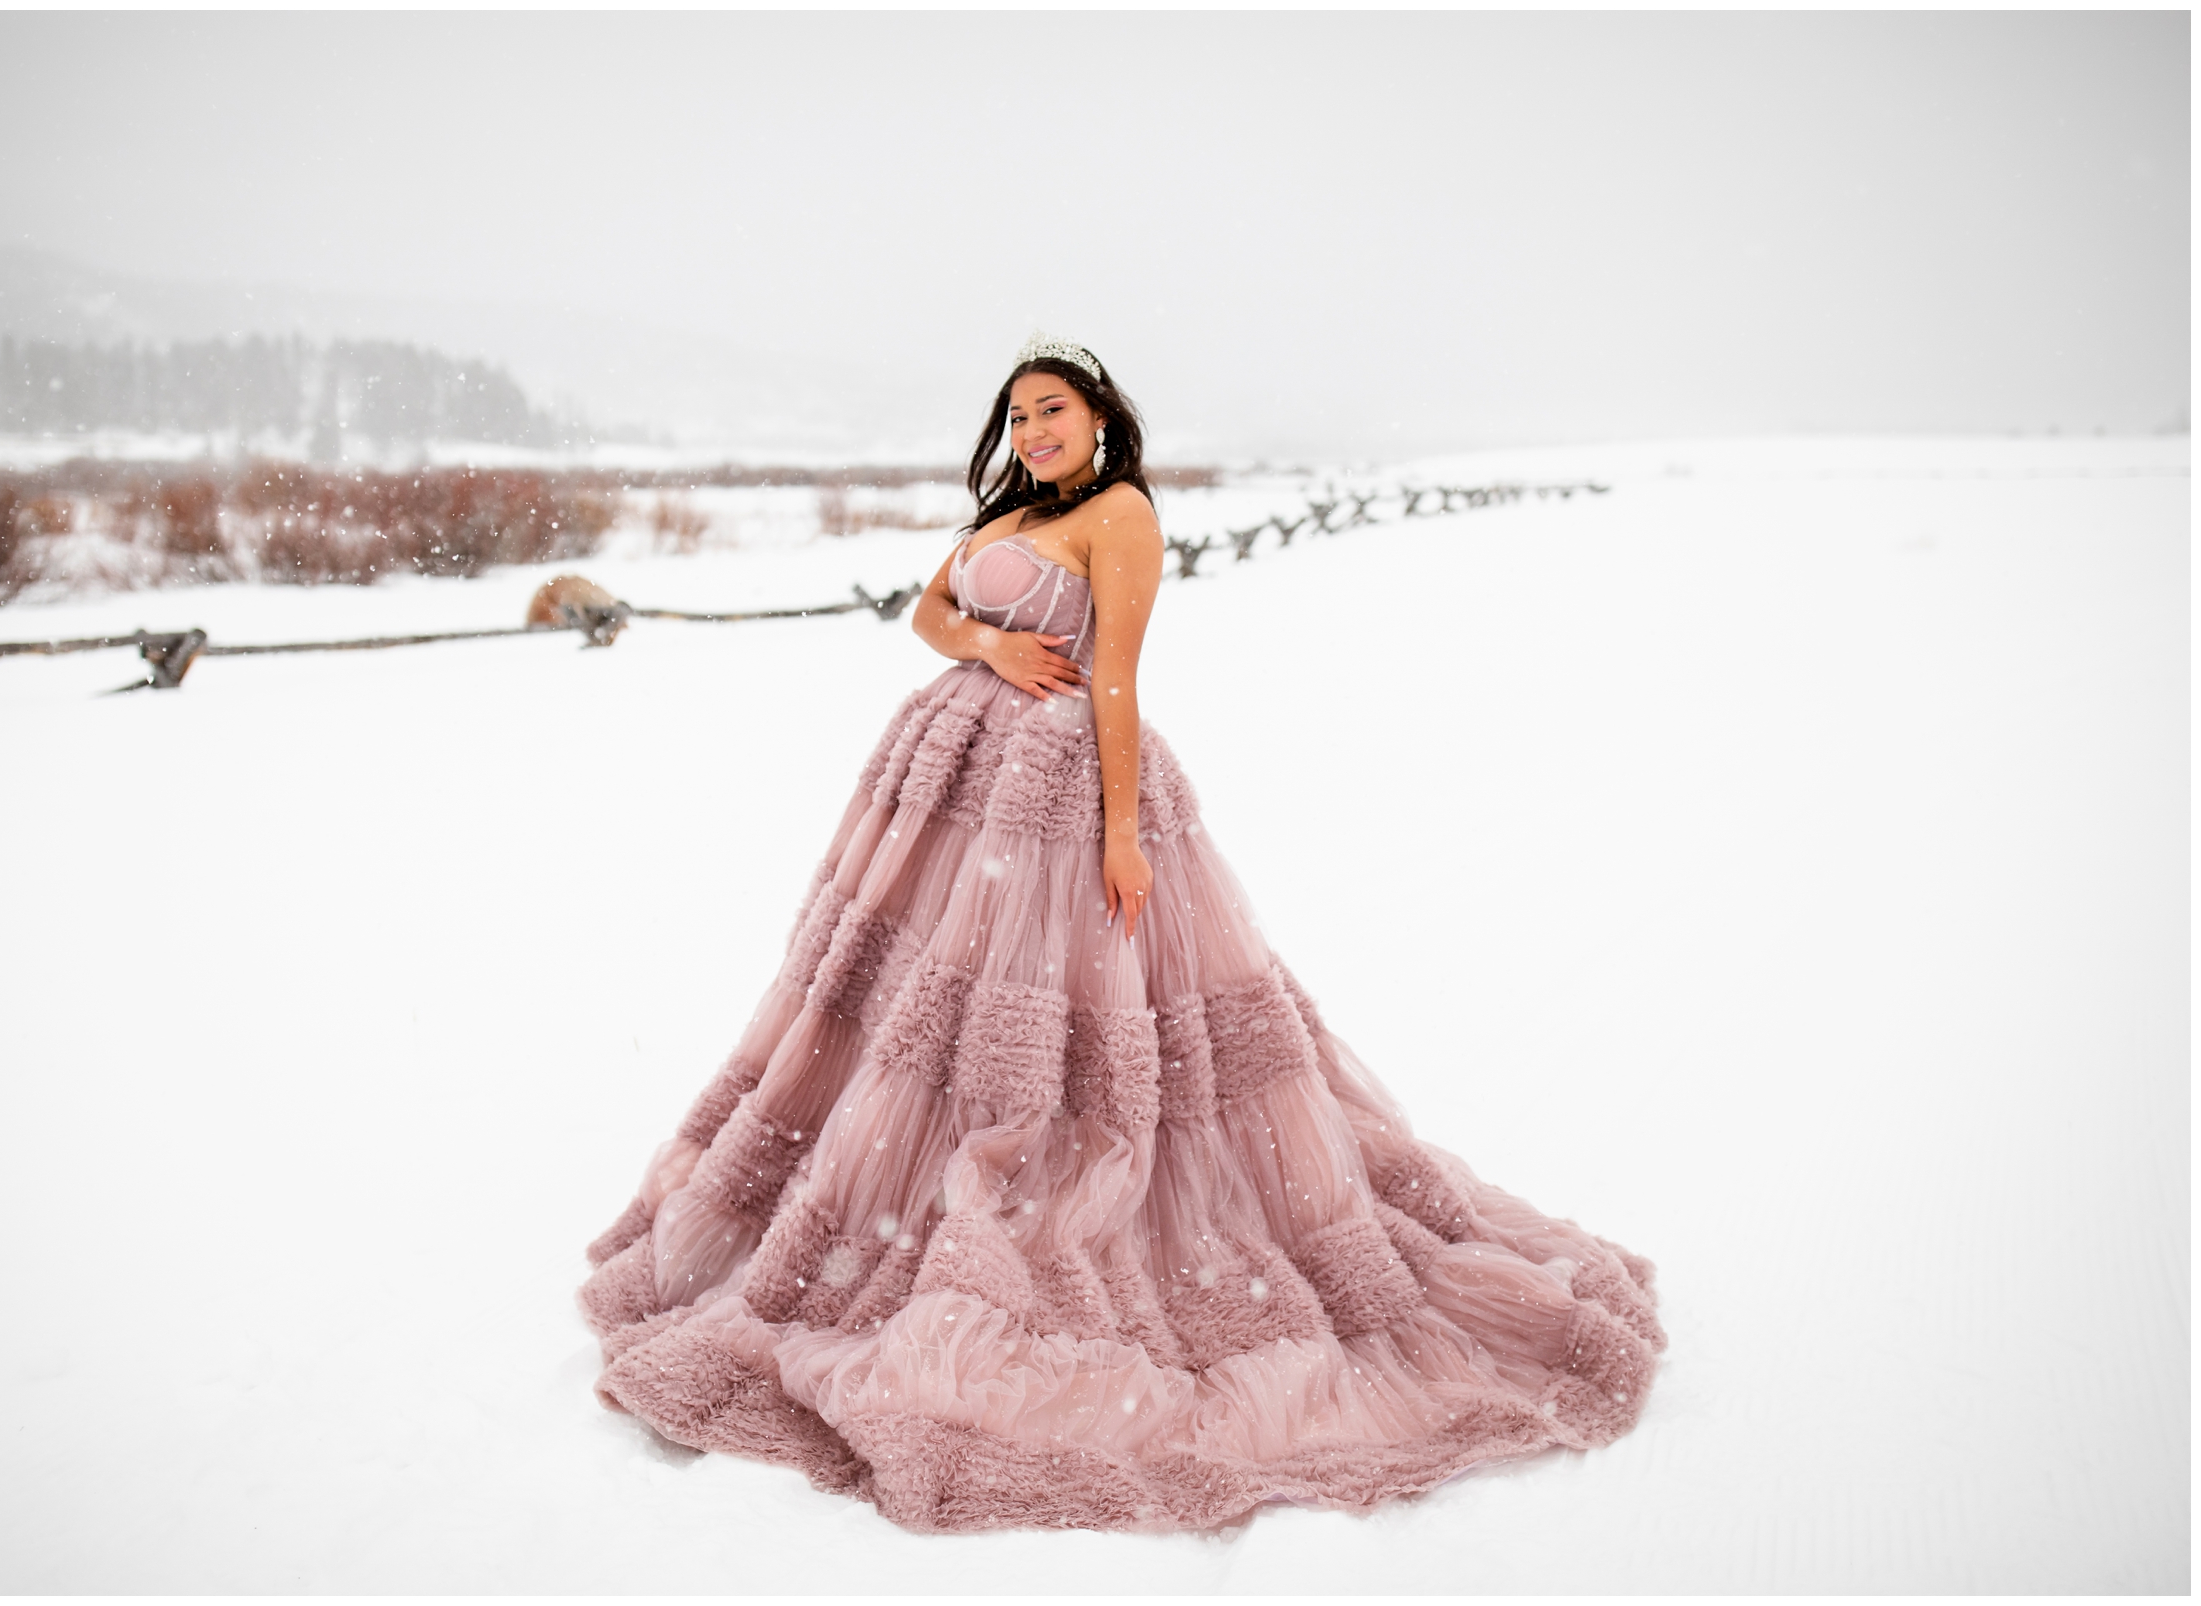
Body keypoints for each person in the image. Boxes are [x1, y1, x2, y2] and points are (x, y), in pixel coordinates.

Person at [576, 335, 1664, 1533]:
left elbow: (1116, 681)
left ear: (1100, 419)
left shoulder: (1121, 516)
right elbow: (932, 612)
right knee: (898, 1002)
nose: (1035, 431)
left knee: (1058, 1022)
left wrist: (1121, 830)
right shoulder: (1012, 511)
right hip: (950, 776)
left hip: (1054, 787)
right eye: (1019, 416)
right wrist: (986, 643)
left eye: (1053, 410)